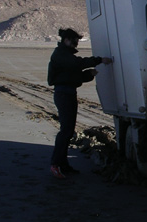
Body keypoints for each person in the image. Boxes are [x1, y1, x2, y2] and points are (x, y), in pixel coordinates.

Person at [47, 28, 112, 179]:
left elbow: (74, 76)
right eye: (74, 41)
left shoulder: (65, 55)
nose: (76, 44)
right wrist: (99, 60)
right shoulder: (61, 54)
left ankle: (63, 165)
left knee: (68, 131)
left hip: (69, 93)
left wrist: (89, 74)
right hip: (63, 94)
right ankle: (56, 164)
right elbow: (77, 64)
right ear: (66, 40)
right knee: (65, 131)